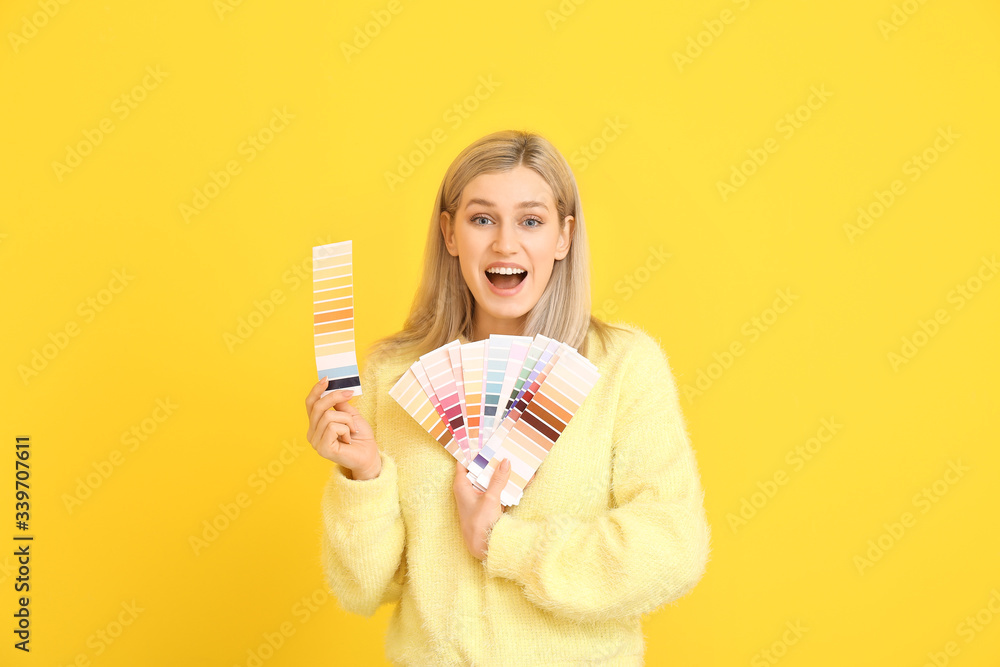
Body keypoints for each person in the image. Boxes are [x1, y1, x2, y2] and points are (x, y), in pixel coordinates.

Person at [306, 129, 711, 666]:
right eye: (481, 219)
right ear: (449, 233)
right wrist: (364, 477)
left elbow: (672, 547)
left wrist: (504, 543)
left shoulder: (622, 366)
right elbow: (364, 590)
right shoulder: (395, 374)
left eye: (531, 220)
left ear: (563, 237)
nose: (505, 244)